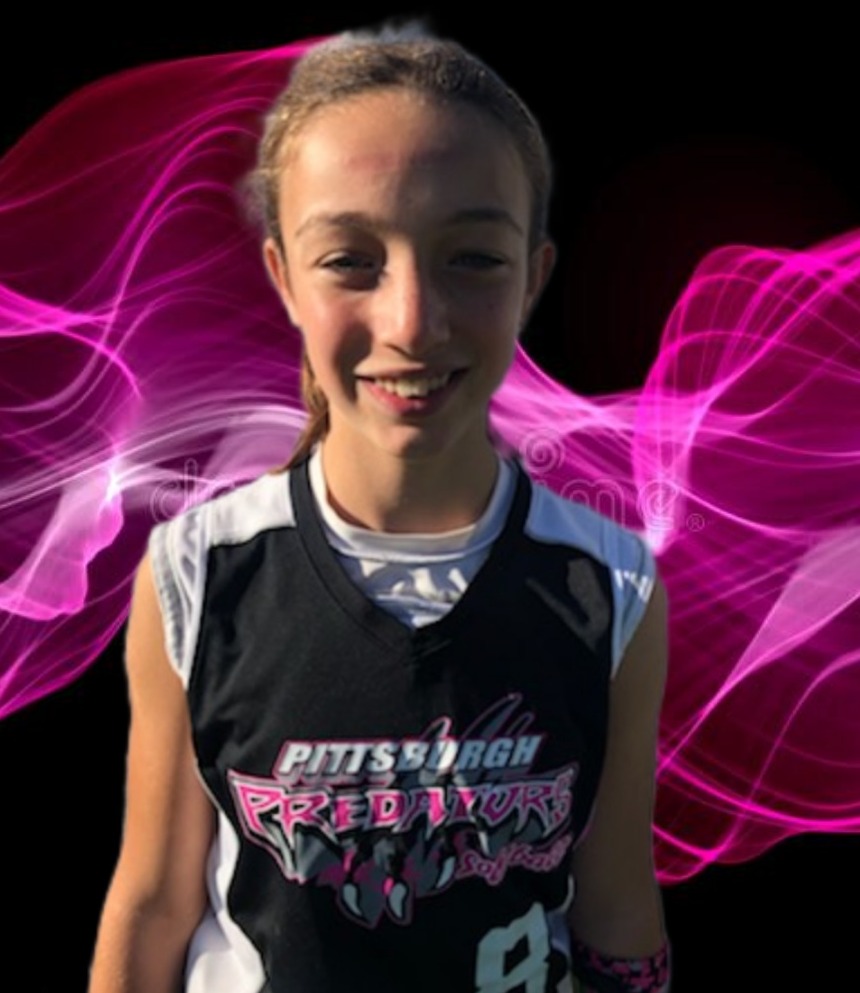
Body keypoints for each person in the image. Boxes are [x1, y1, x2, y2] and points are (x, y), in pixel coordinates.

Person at [87, 24, 670, 993]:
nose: (411, 322)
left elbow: (613, 907)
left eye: (471, 258)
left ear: (533, 277)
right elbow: (153, 903)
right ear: (282, 276)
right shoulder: (200, 574)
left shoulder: (608, 587)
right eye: (351, 260)